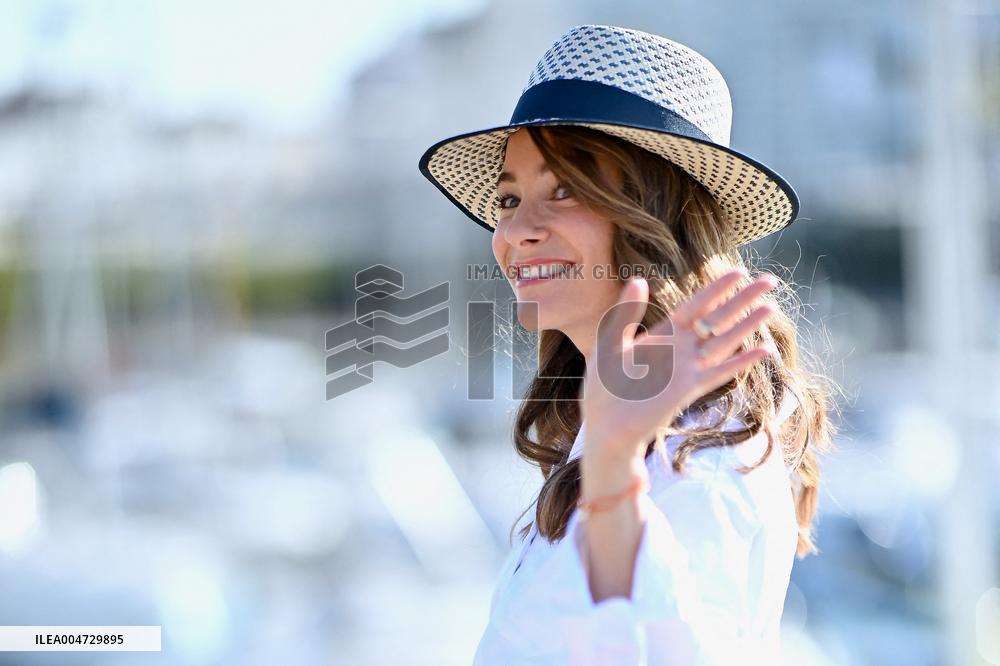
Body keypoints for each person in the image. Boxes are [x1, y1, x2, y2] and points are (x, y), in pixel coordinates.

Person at [418, 24, 839, 665]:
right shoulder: (619, 427)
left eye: (566, 190)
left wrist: (614, 456)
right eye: (509, 198)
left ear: (655, 215)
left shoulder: (703, 454)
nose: (518, 231)